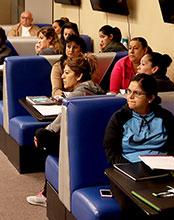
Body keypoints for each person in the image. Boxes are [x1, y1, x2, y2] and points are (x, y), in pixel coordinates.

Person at [26, 55, 105, 207]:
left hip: (80, 146)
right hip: (92, 142)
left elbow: (55, 126)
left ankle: (46, 194)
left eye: (67, 73)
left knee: (41, 135)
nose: (62, 76)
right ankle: (45, 191)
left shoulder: (75, 98)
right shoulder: (94, 88)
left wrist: (40, 135)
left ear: (79, 76)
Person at [104, 73, 174, 164]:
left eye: (137, 93)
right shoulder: (119, 118)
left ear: (150, 98)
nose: (130, 97)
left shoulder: (165, 117)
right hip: (129, 166)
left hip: (161, 167)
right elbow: (111, 152)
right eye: (129, 91)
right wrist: (128, 167)